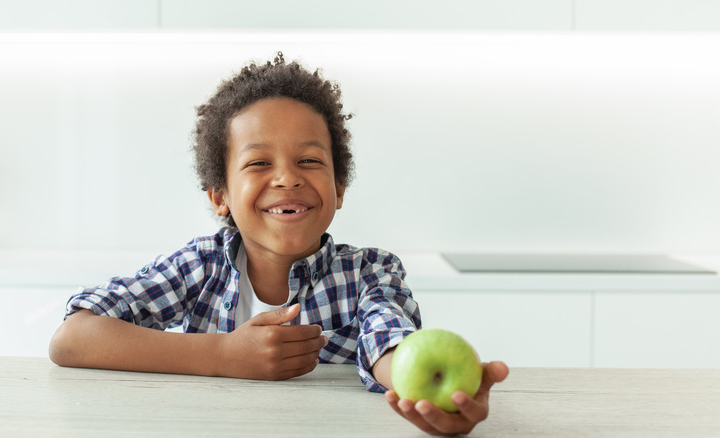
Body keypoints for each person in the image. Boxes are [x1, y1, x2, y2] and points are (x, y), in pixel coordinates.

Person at [49, 52, 508, 435]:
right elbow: (73, 337)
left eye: (309, 159)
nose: (288, 177)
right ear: (220, 196)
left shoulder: (371, 272)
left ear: (339, 188)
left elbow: (387, 339)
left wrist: (423, 391)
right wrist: (223, 355)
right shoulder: (198, 266)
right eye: (258, 163)